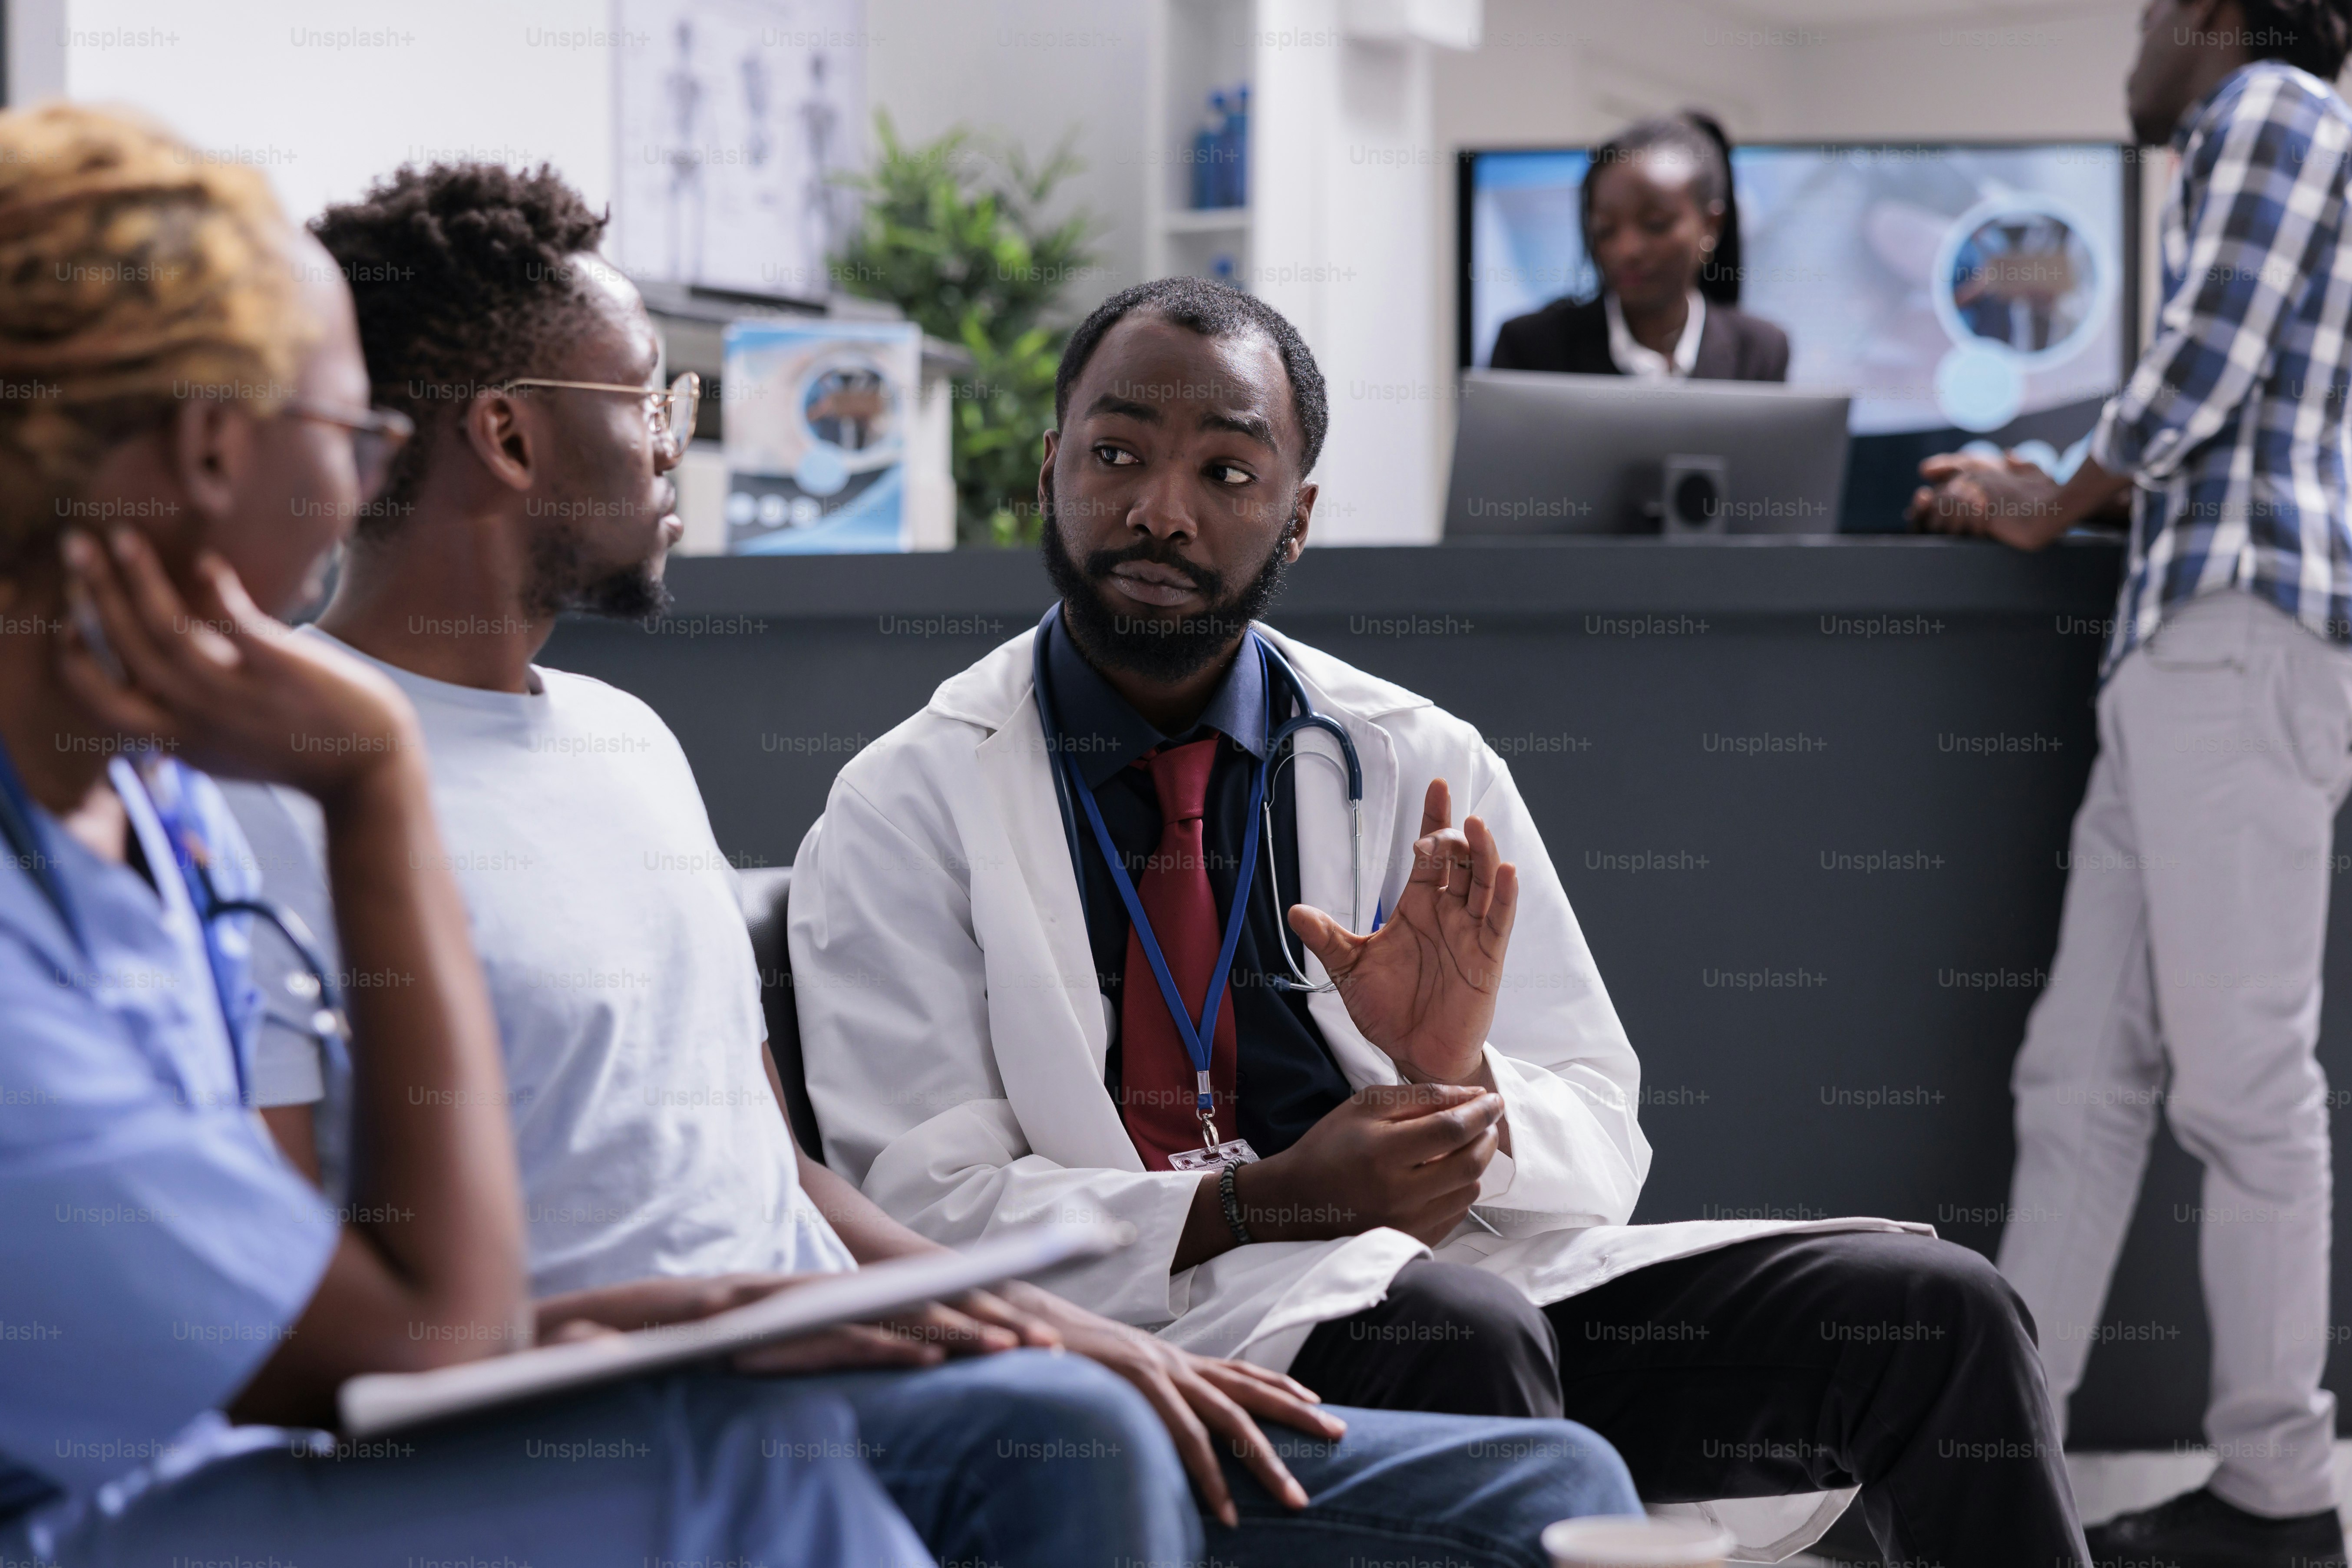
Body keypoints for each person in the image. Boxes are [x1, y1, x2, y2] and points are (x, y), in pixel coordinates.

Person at [238, 157, 1648, 1568]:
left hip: (846, 1364)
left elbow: (789, 1176)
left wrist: (1057, 1330)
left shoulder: (628, 747)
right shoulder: (260, 783)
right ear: (505, 435)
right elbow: (295, 1291)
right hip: (638, 1409)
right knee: (1098, 1443)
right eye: (648, 396)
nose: (675, 439)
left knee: (1547, 1480)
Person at [787, 273, 2090, 1568]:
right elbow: (925, 1213)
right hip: (1164, 1327)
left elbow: (1595, 1118)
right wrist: (1260, 1208)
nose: (1159, 511)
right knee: (1456, 1330)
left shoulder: (1413, 758)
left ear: (1295, 522)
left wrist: (1455, 1075)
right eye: (1115, 453)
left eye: (1227, 477)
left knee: (1931, 1315)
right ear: (1047, 470)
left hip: (1471, 1283)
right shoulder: (907, 801)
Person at [0, 102, 951, 1568]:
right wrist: (373, 787)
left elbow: (365, 1328)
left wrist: (597, 1326)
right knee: (734, 1471)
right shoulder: (189, 839)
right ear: (205, 450)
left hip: (239, 1460)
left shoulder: (147, 807)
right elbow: (423, 1349)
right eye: (346, 426)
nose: (372, 468)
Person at [1910, 3, 2352, 1564]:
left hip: (2237, 646)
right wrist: (2050, 493)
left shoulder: (2273, 107)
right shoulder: (2273, 130)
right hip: (2183, 654)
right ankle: (1996, 1458)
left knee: (2245, 1090)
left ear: (2214, 16)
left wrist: (2042, 498)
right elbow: (2207, 406)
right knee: (2075, 1083)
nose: (2136, 49)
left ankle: (2282, 1493)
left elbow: (2195, 376)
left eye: (2152, 12)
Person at [1488, 112, 1788, 381]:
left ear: (1711, 226)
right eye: (1605, 229)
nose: (1627, 250)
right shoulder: (1530, 349)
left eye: (1656, 224)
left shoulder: (1760, 350)